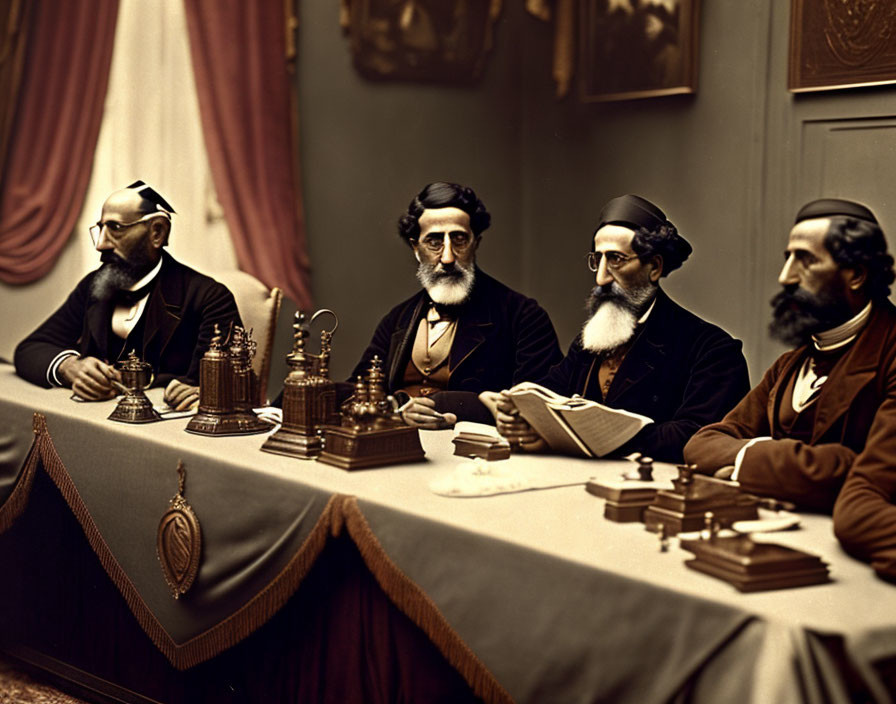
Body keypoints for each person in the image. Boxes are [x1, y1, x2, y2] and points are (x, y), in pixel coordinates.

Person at [487, 194, 750, 462]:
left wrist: (593, 436)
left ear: (655, 267)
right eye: (597, 259)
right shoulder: (590, 341)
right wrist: (521, 414)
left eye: (616, 259)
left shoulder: (712, 350)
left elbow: (694, 435)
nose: (601, 277)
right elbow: (548, 391)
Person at [684, 198, 896, 515]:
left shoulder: (889, 354)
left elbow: (867, 476)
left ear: (856, 275)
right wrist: (761, 463)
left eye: (806, 260)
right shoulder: (791, 364)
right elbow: (702, 443)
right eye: (788, 258)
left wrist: (744, 464)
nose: (785, 277)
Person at [350, 181, 562, 428]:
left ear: (476, 243)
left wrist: (446, 405)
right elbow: (359, 391)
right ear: (416, 248)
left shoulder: (523, 316)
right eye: (434, 242)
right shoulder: (397, 320)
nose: (448, 257)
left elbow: (538, 407)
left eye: (459, 239)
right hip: (401, 451)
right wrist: (397, 409)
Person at [14, 181, 242, 410]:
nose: (101, 244)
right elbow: (30, 349)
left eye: (115, 228)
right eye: (100, 229)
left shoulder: (210, 298)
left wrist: (207, 395)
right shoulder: (94, 286)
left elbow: (231, 384)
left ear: (157, 232)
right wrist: (69, 366)